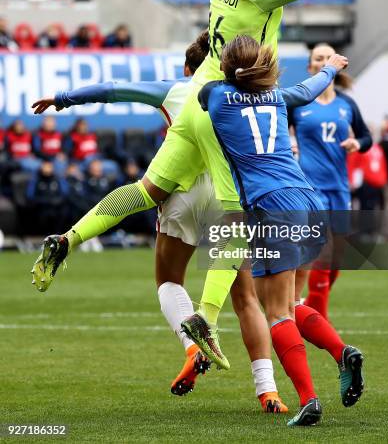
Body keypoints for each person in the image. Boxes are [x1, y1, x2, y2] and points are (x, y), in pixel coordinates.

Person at [31, 0, 388, 368]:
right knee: (236, 215)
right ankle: (206, 315)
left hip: (196, 101)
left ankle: (67, 239)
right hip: (230, 112)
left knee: (149, 190)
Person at [31, 32, 289, 414]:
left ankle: (191, 345)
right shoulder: (247, 94)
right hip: (230, 196)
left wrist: (64, 99)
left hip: (179, 192)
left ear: (189, 68)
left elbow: (115, 89)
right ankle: (267, 391)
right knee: (246, 299)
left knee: (168, 280)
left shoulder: (178, 89)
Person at [196, 35, 364, 426]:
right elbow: (308, 89)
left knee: (274, 312)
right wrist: (331, 68)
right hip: (308, 200)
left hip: (270, 206)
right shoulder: (277, 98)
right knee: (290, 302)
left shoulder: (216, 97)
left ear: (228, 67)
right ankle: (342, 353)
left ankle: (309, 399)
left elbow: (205, 92)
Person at [288, 43, 372, 320]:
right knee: (322, 257)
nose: (324, 62)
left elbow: (367, 137)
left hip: (339, 188)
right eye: (318, 58)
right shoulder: (299, 101)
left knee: (335, 262)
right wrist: (289, 143)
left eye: (329, 57)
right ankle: (321, 327)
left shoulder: (347, 104)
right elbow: (275, 129)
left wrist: (356, 143)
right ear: (311, 67)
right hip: (311, 189)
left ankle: (308, 312)